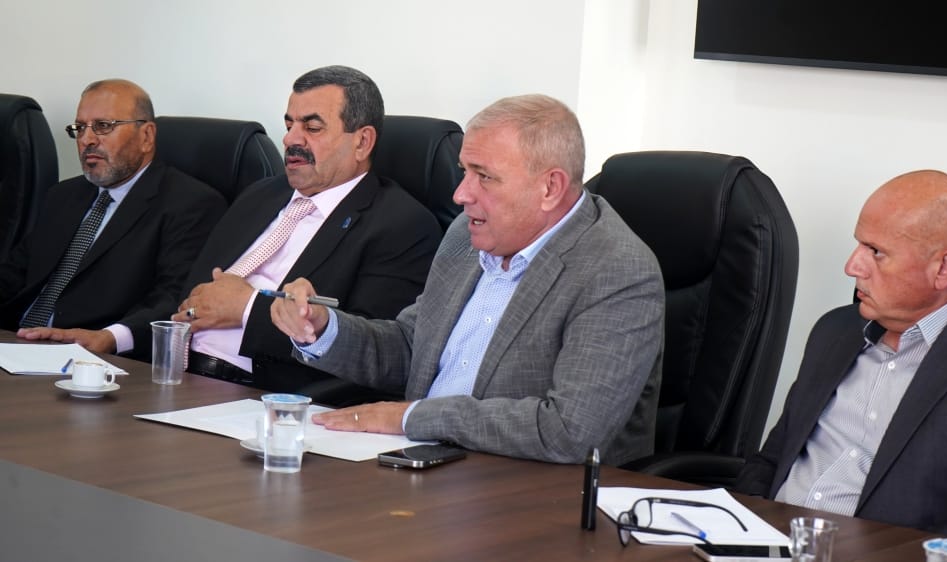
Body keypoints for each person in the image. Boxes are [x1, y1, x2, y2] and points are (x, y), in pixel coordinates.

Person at [271, 94, 665, 466]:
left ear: (550, 188)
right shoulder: (466, 233)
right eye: (464, 171)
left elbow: (568, 431)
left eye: (484, 176)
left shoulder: (616, 270)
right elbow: (411, 348)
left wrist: (410, 418)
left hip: (529, 487)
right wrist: (322, 329)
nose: (461, 194)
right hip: (421, 462)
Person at [735, 170, 947, 544]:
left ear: (943, 268)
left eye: (876, 252)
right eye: (859, 245)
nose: (852, 266)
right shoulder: (835, 331)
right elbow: (770, 463)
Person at [167, 65, 441, 395]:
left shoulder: (401, 224)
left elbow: (372, 353)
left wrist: (248, 308)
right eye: (289, 125)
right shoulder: (259, 195)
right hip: (170, 371)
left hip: (260, 395)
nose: (290, 139)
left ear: (362, 142)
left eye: (311, 127)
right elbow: (192, 292)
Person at [0, 79, 226, 358]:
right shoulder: (62, 195)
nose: (87, 139)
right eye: (80, 128)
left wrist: (111, 337)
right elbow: (15, 272)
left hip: (96, 357)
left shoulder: (191, 203)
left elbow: (174, 297)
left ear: (147, 136)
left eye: (103, 126)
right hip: (18, 341)